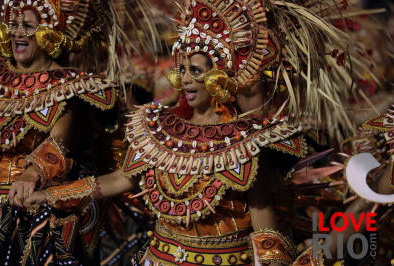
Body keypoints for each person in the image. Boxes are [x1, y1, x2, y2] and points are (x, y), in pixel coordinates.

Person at [23, 0, 377, 265]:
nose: (185, 79)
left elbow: (264, 227)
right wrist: (52, 195)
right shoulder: (158, 128)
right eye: (182, 70)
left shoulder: (248, 144)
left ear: (220, 77)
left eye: (195, 70)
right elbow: (117, 180)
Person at [0, 0, 123, 264]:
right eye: (14, 24)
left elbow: (58, 144)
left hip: (27, 203)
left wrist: (31, 174)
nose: (18, 32)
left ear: (49, 33)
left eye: (28, 26)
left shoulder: (68, 86)